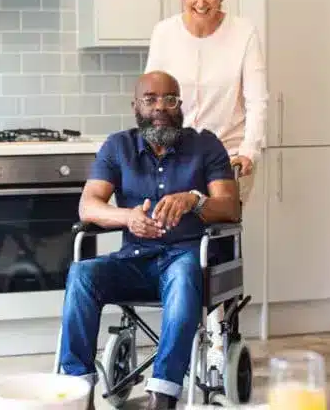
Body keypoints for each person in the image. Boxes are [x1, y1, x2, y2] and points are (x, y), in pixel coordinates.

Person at [58, 71, 240, 410]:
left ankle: (163, 395)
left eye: (170, 99)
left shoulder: (206, 145)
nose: (161, 107)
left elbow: (230, 207)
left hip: (185, 259)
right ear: (135, 106)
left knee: (185, 274)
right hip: (135, 261)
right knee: (82, 273)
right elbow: (89, 205)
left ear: (180, 105)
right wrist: (127, 217)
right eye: (151, 99)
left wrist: (194, 199)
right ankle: (77, 393)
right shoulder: (117, 146)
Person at [145, 0, 268, 370]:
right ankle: (180, 328)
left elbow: (257, 98)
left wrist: (250, 149)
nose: (201, 3)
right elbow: (152, 96)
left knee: (214, 239)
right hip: (176, 153)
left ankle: (217, 331)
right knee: (174, 237)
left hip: (228, 154)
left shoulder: (243, 33)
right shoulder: (164, 33)